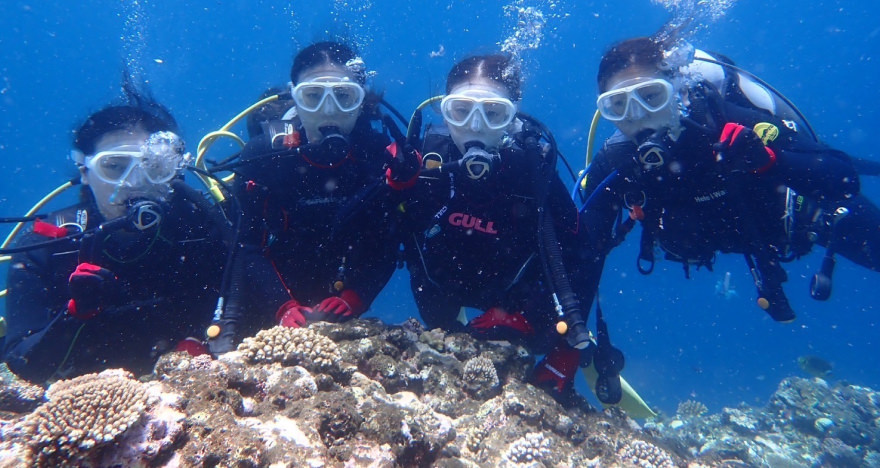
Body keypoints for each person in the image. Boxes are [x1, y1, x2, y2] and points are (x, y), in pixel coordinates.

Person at [580, 36, 880, 322]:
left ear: (676, 89)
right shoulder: (616, 162)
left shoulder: (730, 125)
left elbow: (843, 180)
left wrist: (771, 160)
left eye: (651, 97)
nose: (638, 116)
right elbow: (584, 243)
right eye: (618, 105)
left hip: (804, 221)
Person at [396, 54, 619, 404]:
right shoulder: (425, 162)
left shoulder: (532, 168)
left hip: (514, 302)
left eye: (494, 113)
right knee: (438, 322)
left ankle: (568, 339)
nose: (475, 126)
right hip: (439, 287)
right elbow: (386, 232)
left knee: (533, 343)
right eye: (461, 110)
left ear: (512, 118)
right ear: (443, 112)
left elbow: (581, 253)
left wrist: (563, 349)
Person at [1, 84, 229, 383]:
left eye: (151, 167)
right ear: (84, 171)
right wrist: (75, 315)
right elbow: (23, 363)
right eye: (114, 167)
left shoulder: (201, 226)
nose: (133, 182)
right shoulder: (49, 243)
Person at [208, 41, 417, 352]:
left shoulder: (378, 157)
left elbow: (387, 242)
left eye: (344, 96)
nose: (329, 110)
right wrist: (281, 305)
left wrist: (356, 296)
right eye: (313, 96)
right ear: (295, 96)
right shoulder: (265, 155)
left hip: (341, 297)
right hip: (271, 298)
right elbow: (248, 245)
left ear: (361, 101)